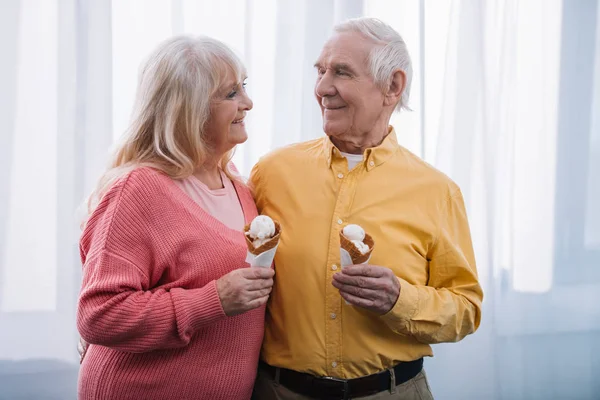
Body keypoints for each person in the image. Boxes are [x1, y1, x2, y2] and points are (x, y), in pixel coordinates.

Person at [250, 17, 483, 399]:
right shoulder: (270, 173)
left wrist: (399, 300)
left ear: (392, 86)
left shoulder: (437, 191)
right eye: (321, 71)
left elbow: (466, 309)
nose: (323, 88)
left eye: (341, 72)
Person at [76, 35, 274, 400]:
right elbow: (99, 314)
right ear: (190, 108)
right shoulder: (139, 190)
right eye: (231, 94)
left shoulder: (240, 187)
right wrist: (212, 300)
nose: (248, 102)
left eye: (243, 87)